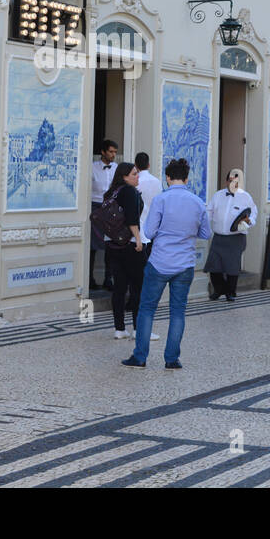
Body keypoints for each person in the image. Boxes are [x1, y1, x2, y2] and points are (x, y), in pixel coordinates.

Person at [123, 158, 211, 370]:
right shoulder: (198, 202)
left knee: (146, 309)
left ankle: (140, 356)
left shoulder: (161, 200)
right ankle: (172, 359)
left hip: (160, 262)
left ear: (168, 177)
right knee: (178, 311)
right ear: (187, 178)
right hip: (185, 265)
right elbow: (206, 233)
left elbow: (150, 232)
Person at [99, 161, 154, 341]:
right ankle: (139, 329)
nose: (137, 177)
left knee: (120, 288)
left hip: (113, 245)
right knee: (139, 287)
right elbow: (132, 220)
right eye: (134, 174)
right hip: (130, 244)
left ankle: (119, 329)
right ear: (124, 176)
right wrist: (138, 240)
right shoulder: (129, 191)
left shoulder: (111, 192)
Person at [205, 168, 258, 301]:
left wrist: (248, 221)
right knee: (214, 266)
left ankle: (231, 292)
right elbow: (209, 212)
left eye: (235, 181)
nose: (232, 183)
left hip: (236, 238)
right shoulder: (217, 195)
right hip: (218, 237)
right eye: (230, 180)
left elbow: (253, 214)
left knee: (232, 267)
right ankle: (219, 289)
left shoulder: (246, 197)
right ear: (226, 181)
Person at [89, 139, 119, 290]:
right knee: (93, 245)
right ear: (103, 152)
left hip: (111, 208)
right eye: (111, 151)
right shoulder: (92, 167)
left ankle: (109, 279)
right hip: (95, 206)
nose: (113, 155)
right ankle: (89, 279)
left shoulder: (117, 168)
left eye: (115, 152)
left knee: (110, 245)